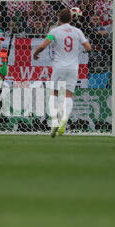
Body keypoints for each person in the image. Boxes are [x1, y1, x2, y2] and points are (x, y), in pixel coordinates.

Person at [33, 8, 91, 138]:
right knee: (68, 95)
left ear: (59, 18)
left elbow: (43, 45)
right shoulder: (78, 31)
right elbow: (88, 47)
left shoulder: (55, 31)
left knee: (54, 93)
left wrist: (36, 53)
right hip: (73, 68)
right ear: (71, 19)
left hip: (59, 67)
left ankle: (54, 121)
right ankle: (64, 119)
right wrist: (78, 49)